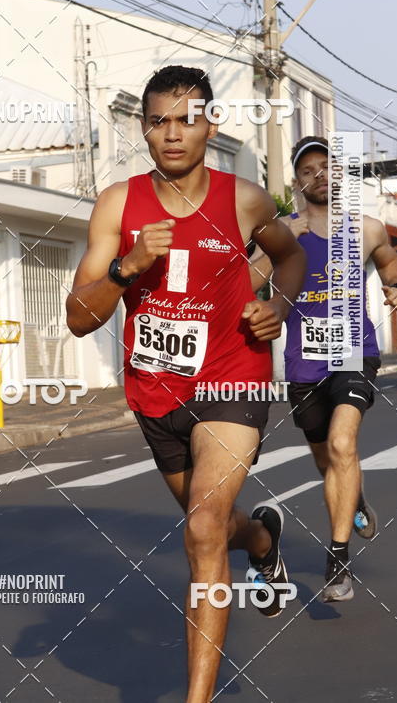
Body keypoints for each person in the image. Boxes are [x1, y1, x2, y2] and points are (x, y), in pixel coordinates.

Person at [66, 65, 307, 703]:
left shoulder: (244, 199)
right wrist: (129, 266)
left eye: (186, 118)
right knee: (217, 525)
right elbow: (77, 318)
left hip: (234, 376)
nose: (173, 133)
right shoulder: (118, 205)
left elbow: (291, 255)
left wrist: (277, 305)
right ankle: (262, 536)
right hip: (156, 392)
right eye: (158, 121)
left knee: (201, 530)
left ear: (210, 124)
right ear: (144, 129)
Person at [249, 135, 397, 603]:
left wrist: (395, 285)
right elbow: (249, 281)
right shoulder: (281, 228)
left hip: (355, 351)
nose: (319, 175)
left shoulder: (367, 228)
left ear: (340, 174)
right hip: (304, 363)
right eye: (307, 170)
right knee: (329, 461)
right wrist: (279, 245)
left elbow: (390, 260)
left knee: (343, 443)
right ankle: (353, 496)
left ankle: (337, 561)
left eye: (327, 167)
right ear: (296, 181)